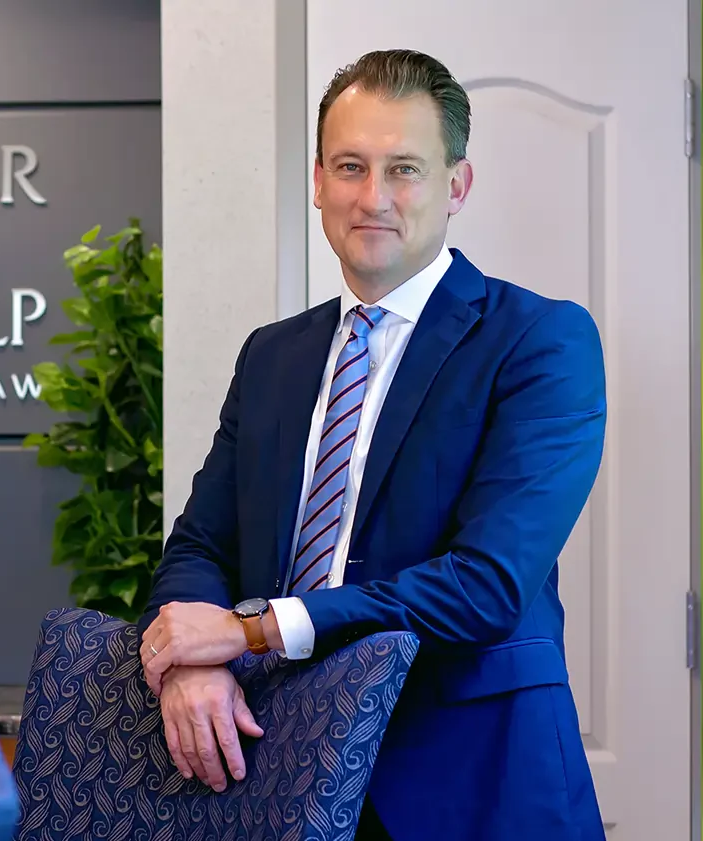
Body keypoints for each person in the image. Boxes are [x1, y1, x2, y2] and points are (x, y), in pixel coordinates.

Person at [134, 49, 605, 841]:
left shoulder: (539, 342)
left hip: (471, 787)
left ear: (457, 185)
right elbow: (201, 544)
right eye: (350, 166)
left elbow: (485, 585)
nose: (373, 197)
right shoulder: (272, 354)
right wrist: (190, 661)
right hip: (274, 773)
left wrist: (252, 630)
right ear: (319, 181)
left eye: (404, 169)